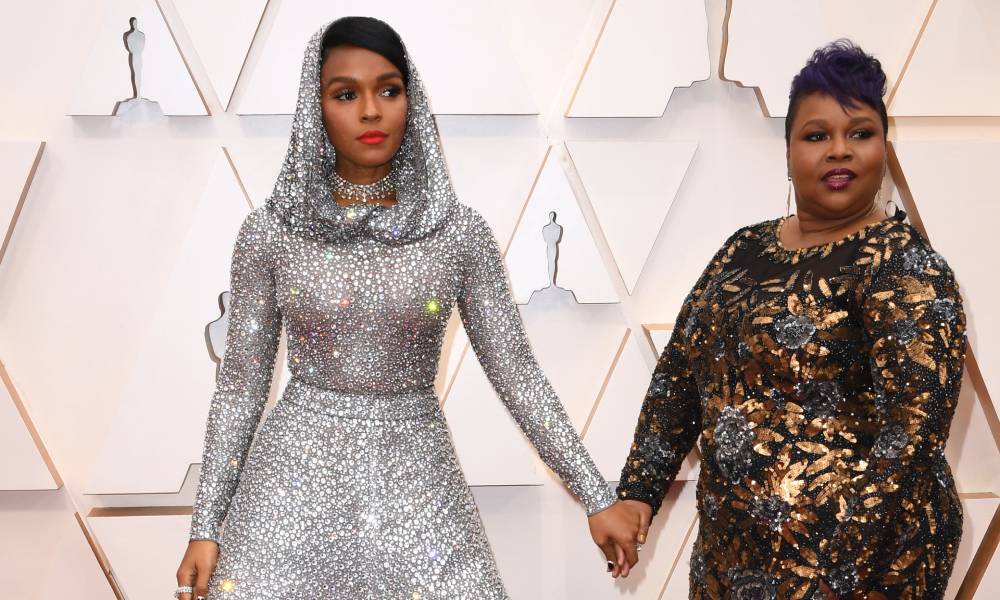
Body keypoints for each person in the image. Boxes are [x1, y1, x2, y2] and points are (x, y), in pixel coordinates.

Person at [173, 16, 638, 600]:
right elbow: (241, 386)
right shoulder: (271, 232)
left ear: (410, 99)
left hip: (416, 477)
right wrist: (206, 525)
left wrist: (596, 495)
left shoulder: (458, 234)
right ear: (315, 109)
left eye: (388, 90)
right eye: (346, 94)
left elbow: (517, 375)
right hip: (290, 484)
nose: (371, 111)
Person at [593, 40, 967, 599]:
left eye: (860, 133)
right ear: (788, 150)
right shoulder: (744, 250)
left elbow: (910, 440)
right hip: (732, 564)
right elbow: (680, 377)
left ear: (883, 147)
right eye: (817, 136)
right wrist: (637, 493)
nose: (839, 151)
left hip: (858, 574)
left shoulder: (904, 265)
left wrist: (826, 568)